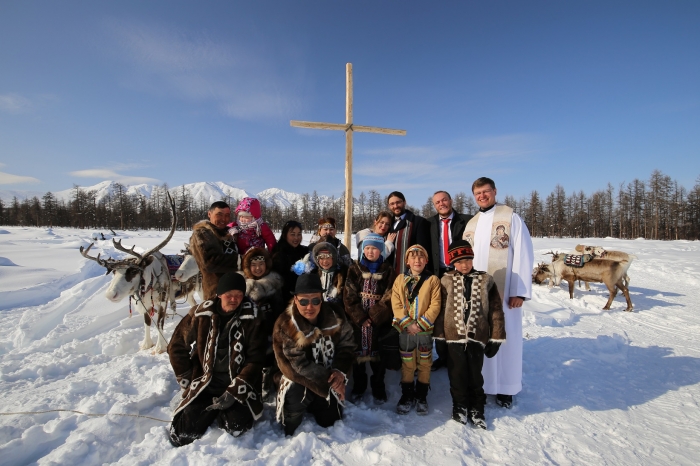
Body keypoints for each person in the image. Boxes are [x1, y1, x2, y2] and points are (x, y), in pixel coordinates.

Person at [168, 272, 266, 446]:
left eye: (239, 295)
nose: (234, 299)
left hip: (236, 383)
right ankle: (206, 408)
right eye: (229, 295)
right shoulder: (201, 314)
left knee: (237, 426)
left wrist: (235, 391)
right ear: (220, 294)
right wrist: (187, 379)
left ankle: (222, 411)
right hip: (204, 382)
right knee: (182, 433)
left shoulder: (252, 317)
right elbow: (176, 345)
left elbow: (255, 360)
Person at [462, 177, 534, 409]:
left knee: (506, 337)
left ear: (494, 191)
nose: (482, 196)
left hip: (504, 294)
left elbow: (523, 255)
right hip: (476, 292)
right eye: (478, 193)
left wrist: (519, 292)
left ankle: (506, 387)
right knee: (479, 336)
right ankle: (482, 384)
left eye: (486, 191)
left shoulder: (511, 218)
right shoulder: (471, 224)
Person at [273, 274, 356, 436]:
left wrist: (339, 372)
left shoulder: (336, 315)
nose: (309, 307)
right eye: (304, 301)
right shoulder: (286, 323)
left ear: (322, 299)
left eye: (315, 300)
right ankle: (292, 411)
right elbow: (296, 364)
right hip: (298, 377)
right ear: (296, 299)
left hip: (328, 375)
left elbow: (348, 345)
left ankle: (318, 402)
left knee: (330, 420)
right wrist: (330, 379)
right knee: (295, 399)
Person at [434, 239, 505, 429]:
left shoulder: (486, 280)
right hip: (453, 337)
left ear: (472, 259)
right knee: (456, 374)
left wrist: (496, 336)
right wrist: (440, 337)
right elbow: (441, 310)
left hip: (477, 336)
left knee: (475, 375)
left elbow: (496, 310)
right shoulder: (446, 280)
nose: (463, 265)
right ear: (452, 263)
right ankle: (459, 406)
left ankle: (477, 408)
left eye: (467, 260)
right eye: (458, 261)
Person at [343, 233, 396, 404]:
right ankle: (359, 387)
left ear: (380, 250)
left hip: (379, 322)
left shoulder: (387, 270)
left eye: (374, 248)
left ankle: (378, 388)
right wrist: (360, 317)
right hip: (358, 323)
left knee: (378, 359)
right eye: (367, 248)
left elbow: (390, 295)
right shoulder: (355, 268)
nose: (370, 251)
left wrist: (375, 315)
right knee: (358, 358)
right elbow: (349, 295)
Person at [390, 244, 441, 415]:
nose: (417, 261)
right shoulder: (399, 280)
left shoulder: (432, 280)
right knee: (407, 362)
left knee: (425, 362)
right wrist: (407, 323)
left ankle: (422, 395)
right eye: (413, 257)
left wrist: (420, 325)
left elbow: (435, 305)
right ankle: (407, 395)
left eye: (421, 258)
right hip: (405, 330)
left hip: (424, 331)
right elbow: (396, 303)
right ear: (407, 261)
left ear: (426, 261)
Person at [427, 191, 473, 371]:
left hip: (461, 273)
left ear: (451, 201)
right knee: (439, 316)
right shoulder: (429, 224)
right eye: (437, 202)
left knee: (462, 315)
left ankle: (462, 355)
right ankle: (443, 356)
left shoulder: (468, 220)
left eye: (444, 200)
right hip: (439, 275)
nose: (441, 204)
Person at [238, 247, 285, 401]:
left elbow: (279, 309)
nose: (258, 268)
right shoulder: (240, 284)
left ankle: (267, 376)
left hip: (269, 328)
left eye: (261, 264)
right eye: (253, 265)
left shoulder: (274, 283)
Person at [190, 201, 239, 300]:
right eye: (219, 215)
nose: (223, 219)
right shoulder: (203, 234)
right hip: (216, 293)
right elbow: (211, 263)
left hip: (236, 290)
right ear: (209, 214)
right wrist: (241, 261)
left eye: (227, 215)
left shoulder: (229, 233)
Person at [386, 191, 432, 277]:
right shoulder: (389, 224)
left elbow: (423, 250)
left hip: (410, 274)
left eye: (398, 202)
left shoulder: (417, 222)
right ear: (389, 206)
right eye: (392, 204)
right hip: (390, 276)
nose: (395, 206)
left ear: (404, 202)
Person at [292, 242, 348, 307]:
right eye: (321, 257)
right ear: (317, 259)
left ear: (334, 257)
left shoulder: (343, 274)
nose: (325, 261)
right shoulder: (313, 275)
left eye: (328, 257)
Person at [271, 220, 308, 299]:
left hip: (303, 296)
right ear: (285, 235)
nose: (296, 238)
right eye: (292, 234)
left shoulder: (304, 251)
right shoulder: (278, 253)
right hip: (284, 298)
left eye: (299, 234)